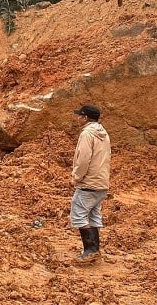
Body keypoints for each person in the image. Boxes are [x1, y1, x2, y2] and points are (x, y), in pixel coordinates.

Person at [70, 104, 111, 261]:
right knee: (94, 214)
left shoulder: (87, 134)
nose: (78, 118)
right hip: (101, 181)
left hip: (89, 182)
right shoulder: (104, 133)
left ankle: (90, 250)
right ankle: (95, 249)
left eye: (79, 115)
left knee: (78, 214)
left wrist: (76, 177)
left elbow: (83, 159)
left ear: (85, 117)